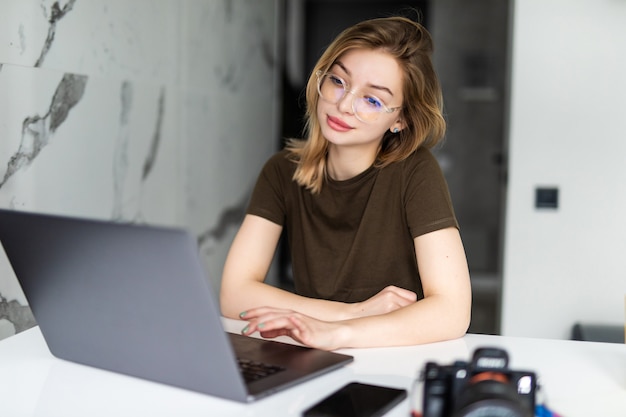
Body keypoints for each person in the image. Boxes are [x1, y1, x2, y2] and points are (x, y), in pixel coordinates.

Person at [220, 15, 471, 350]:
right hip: (312, 352)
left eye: (372, 99)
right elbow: (235, 294)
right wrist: (355, 312)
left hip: (393, 356)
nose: (343, 105)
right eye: (339, 81)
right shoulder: (282, 171)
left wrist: (338, 333)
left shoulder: (415, 171)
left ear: (400, 120)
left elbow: (452, 312)